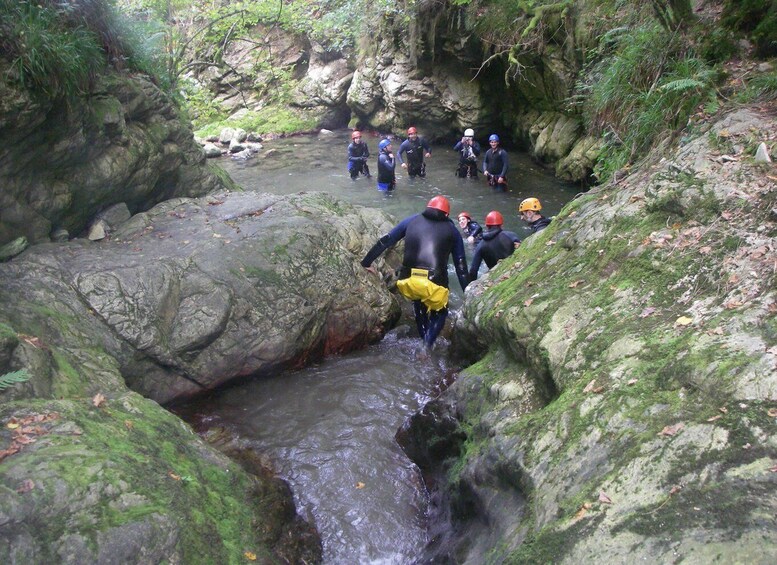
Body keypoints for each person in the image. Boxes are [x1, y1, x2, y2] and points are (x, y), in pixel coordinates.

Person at [361, 195, 469, 349]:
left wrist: (366, 263)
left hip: (407, 281)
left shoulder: (411, 220)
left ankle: (422, 334)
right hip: (434, 283)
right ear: (446, 214)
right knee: (440, 312)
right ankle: (427, 345)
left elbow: (385, 240)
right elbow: (461, 266)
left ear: (428, 208)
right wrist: (468, 291)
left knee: (419, 303)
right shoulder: (452, 230)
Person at [469, 210, 521, 281]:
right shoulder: (511, 236)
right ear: (501, 225)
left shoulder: (480, 245)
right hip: (513, 272)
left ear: (487, 226)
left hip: (495, 277)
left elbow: (473, 271)